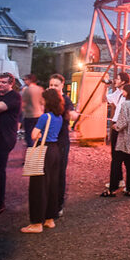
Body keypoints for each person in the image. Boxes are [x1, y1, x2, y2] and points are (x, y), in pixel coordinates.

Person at [21, 89, 64, 233]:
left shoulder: (45, 117)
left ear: (48, 101)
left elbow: (34, 135)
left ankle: (36, 223)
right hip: (55, 151)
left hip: (44, 150)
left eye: (43, 99)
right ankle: (49, 219)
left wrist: (38, 132)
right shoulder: (59, 117)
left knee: (38, 186)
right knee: (52, 185)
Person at [0, 72, 21, 218]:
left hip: (5, 138)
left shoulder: (14, 97)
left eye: (4, 82)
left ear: (11, 83)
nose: (0, 84)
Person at [102, 83, 130, 197]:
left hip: (124, 139)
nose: (122, 93)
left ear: (127, 92)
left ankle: (112, 189)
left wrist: (115, 126)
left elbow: (123, 123)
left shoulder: (125, 105)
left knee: (116, 163)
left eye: (124, 91)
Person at [48, 73, 78, 215]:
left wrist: (72, 114)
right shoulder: (46, 99)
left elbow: (73, 113)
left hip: (61, 142)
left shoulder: (65, 100)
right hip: (47, 142)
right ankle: (47, 202)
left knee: (59, 173)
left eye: (56, 85)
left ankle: (58, 205)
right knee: (46, 173)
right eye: (51, 85)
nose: (53, 87)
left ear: (61, 86)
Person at [21, 74, 45, 147]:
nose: (24, 81)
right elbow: (43, 102)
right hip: (39, 114)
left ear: (29, 80)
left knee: (28, 135)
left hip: (29, 115)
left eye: (25, 80)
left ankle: (30, 151)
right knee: (38, 134)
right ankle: (37, 150)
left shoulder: (26, 90)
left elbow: (23, 103)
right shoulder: (40, 89)